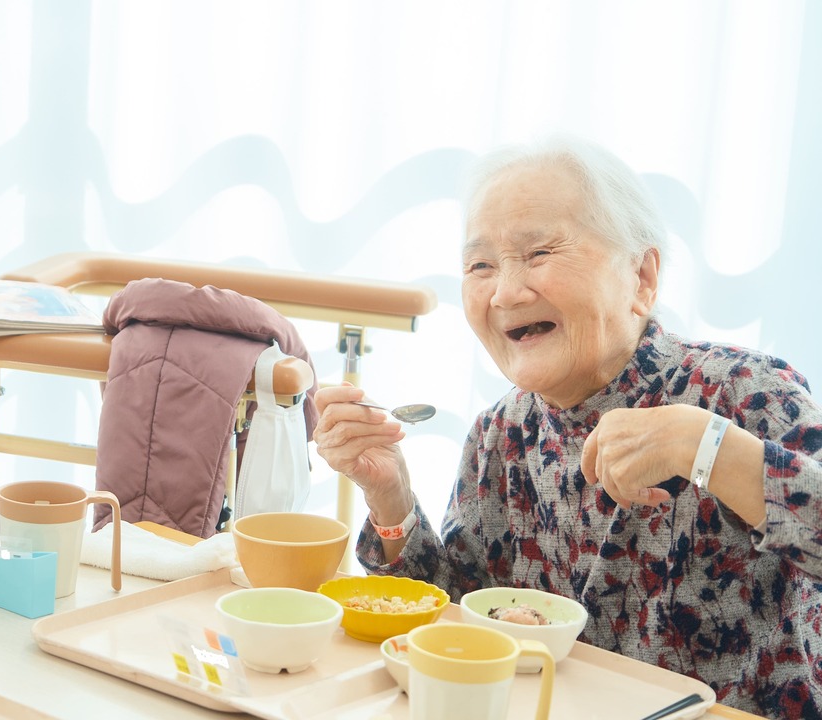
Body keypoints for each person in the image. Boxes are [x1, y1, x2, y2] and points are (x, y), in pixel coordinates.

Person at [313, 137, 820, 718]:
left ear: (642, 277)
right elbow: (458, 615)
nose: (504, 291)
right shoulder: (500, 434)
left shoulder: (747, 393)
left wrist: (700, 446)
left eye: (539, 253)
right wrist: (390, 495)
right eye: (480, 265)